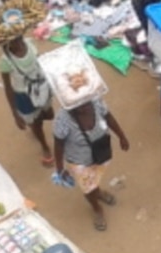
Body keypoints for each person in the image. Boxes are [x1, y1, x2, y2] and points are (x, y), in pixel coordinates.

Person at [52, 98, 130, 231]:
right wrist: (60, 168)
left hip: (100, 153)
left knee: (94, 178)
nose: (84, 107)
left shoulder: (96, 102)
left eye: (86, 103)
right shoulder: (63, 118)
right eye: (78, 105)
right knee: (87, 187)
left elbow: (109, 117)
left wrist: (122, 136)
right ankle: (97, 208)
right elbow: (58, 144)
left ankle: (97, 192)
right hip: (79, 162)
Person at [0, 35, 55, 166]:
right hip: (24, 96)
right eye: (13, 41)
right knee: (37, 123)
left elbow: (39, 61)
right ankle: (44, 146)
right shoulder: (5, 61)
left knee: (49, 114)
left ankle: (34, 124)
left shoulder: (29, 43)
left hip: (40, 87)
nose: (18, 43)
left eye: (19, 38)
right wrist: (15, 114)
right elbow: (8, 88)